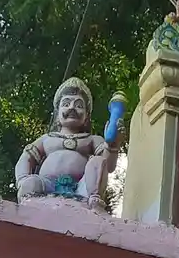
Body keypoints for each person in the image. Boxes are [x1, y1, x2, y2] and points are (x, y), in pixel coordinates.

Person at [15, 77, 121, 211]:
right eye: (66, 104)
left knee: (98, 161)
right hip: (46, 185)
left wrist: (112, 146)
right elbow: (26, 157)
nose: (72, 108)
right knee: (30, 183)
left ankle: (95, 202)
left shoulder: (92, 139)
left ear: (86, 117)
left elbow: (108, 166)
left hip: (81, 187)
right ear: (57, 113)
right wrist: (23, 179)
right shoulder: (47, 139)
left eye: (79, 106)